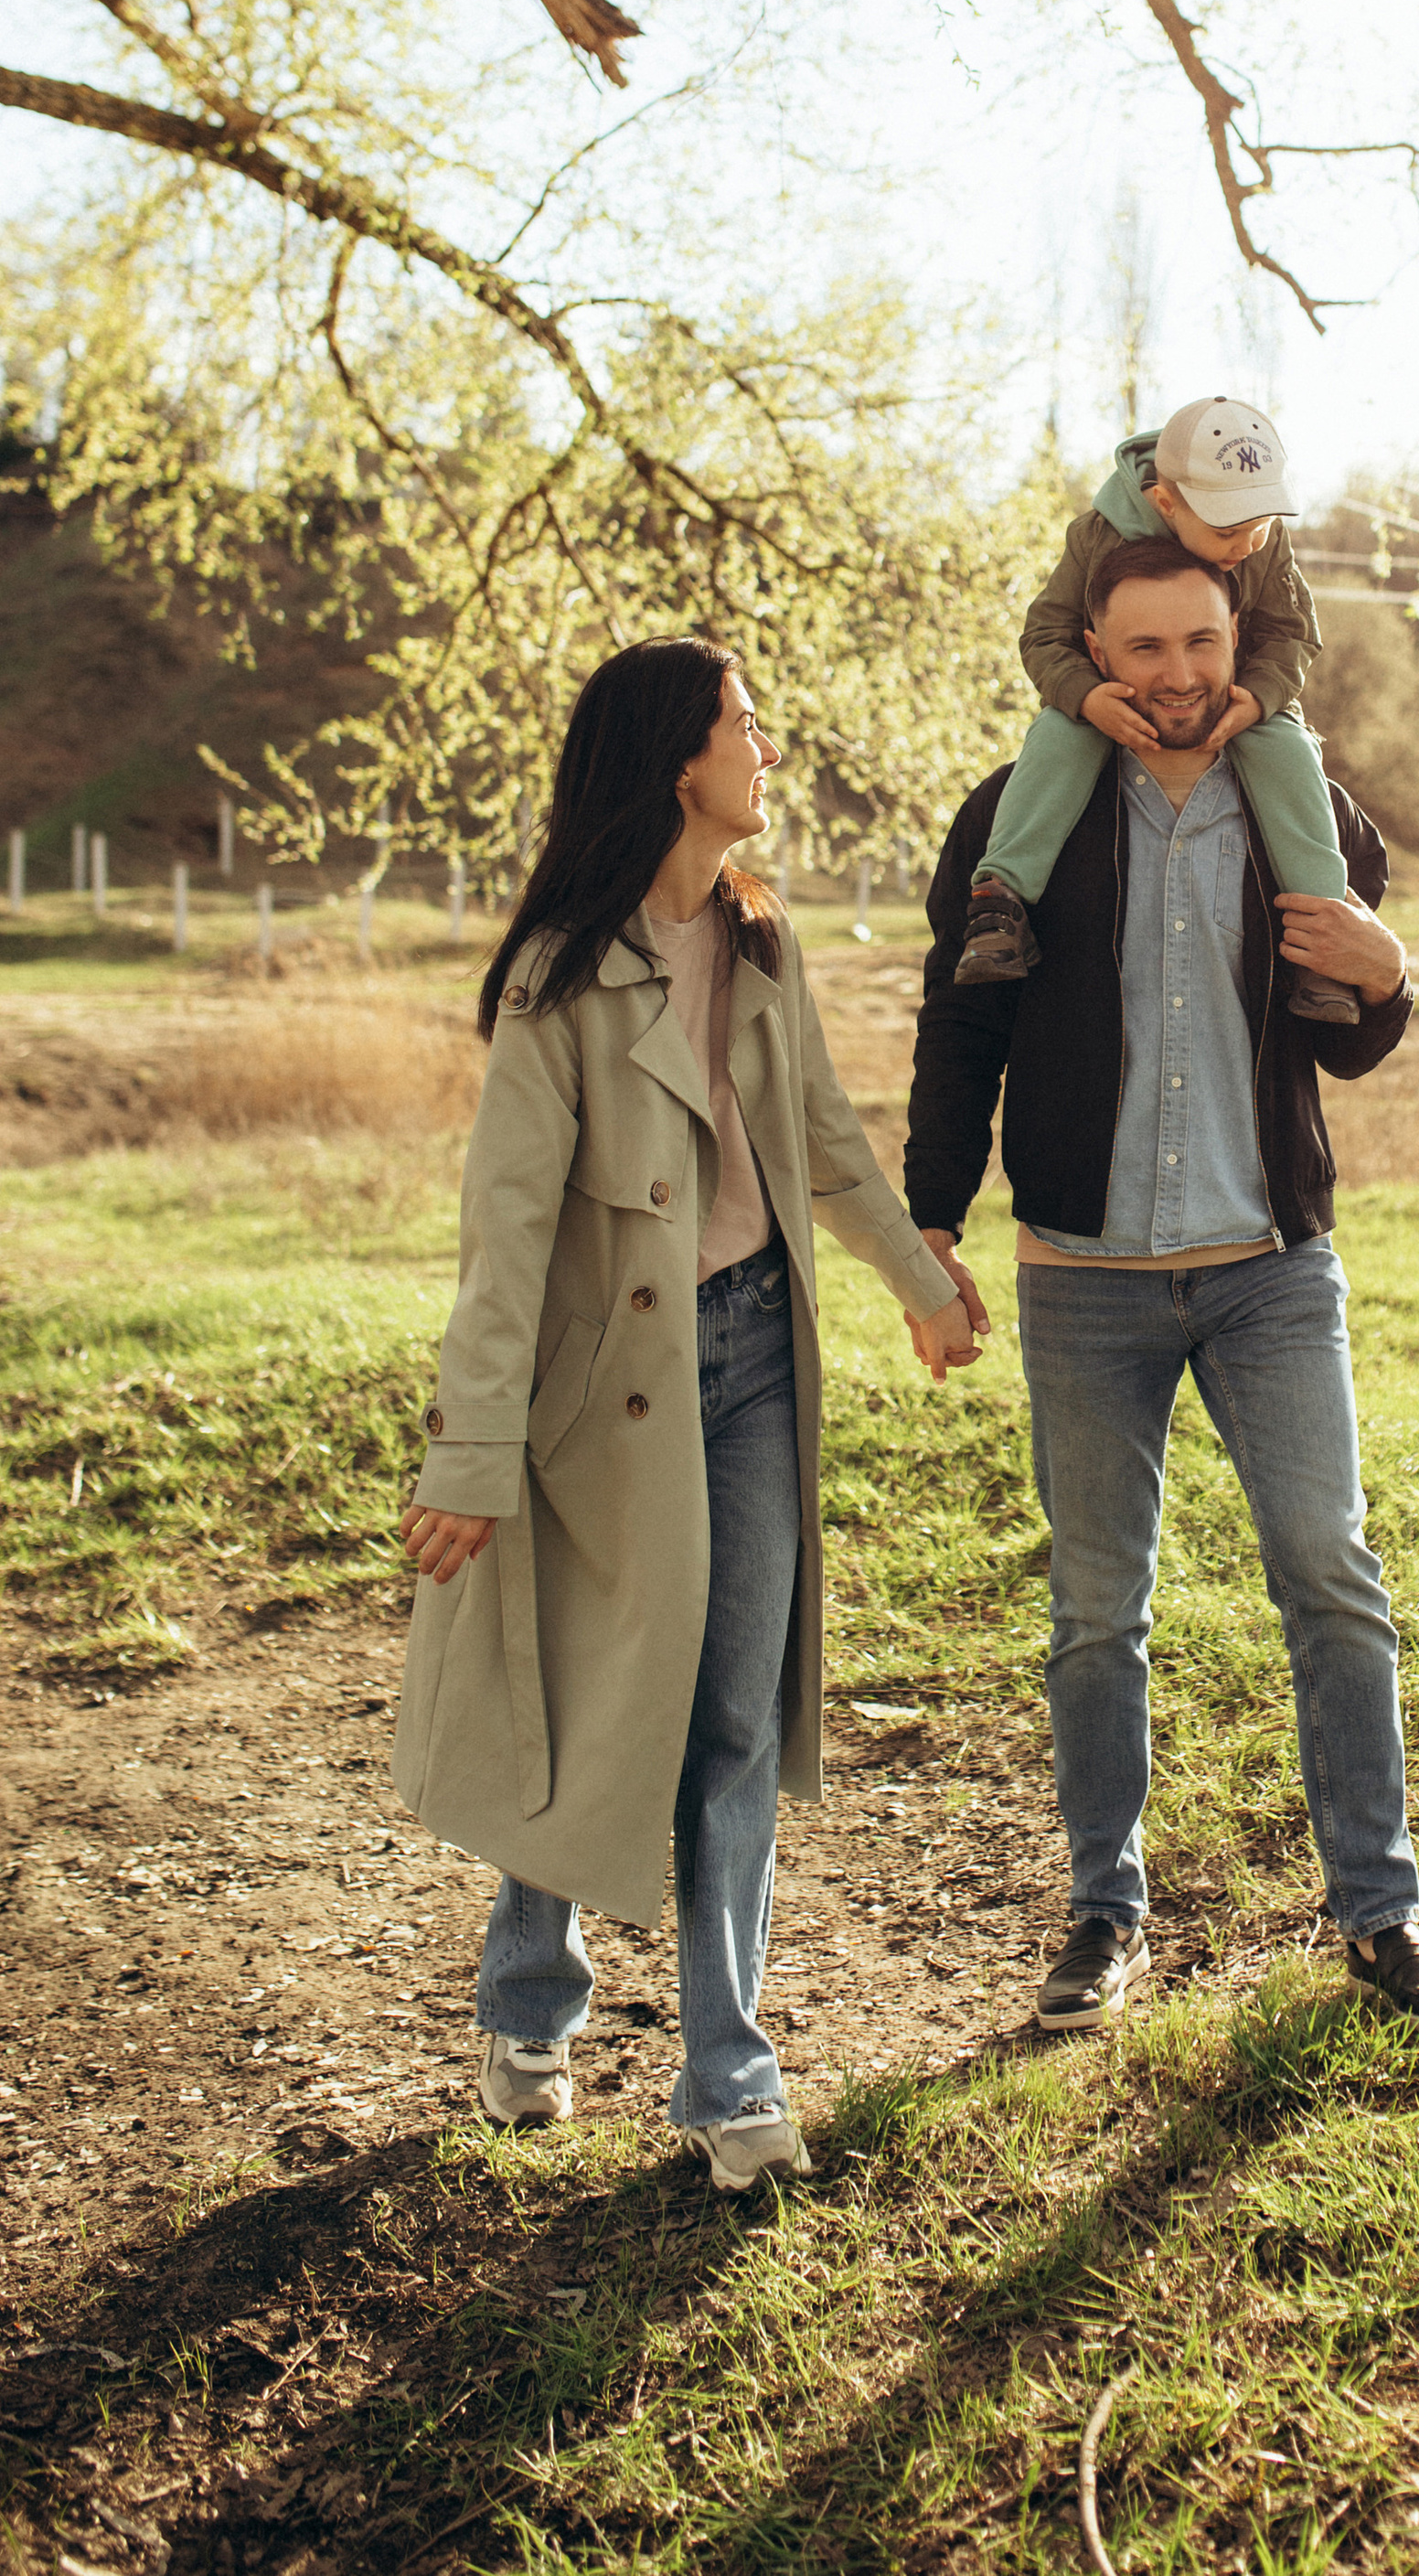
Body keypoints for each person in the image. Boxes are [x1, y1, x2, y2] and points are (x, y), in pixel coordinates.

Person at [392, 637, 978, 2188]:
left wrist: (919, 1281)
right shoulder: (559, 983)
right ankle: (530, 1995)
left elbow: (828, 1140)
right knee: (597, 1695)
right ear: (679, 766)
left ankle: (727, 2077)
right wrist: (473, 1451)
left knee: (731, 1716)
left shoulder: (762, 942)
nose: (768, 747)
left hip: (757, 1368)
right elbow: (506, 1237)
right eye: (743, 724)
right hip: (603, 1397)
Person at [906, 537, 1419, 2038]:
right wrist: (930, 1222)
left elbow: (1345, 1043)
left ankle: (1382, 1913)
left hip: (1268, 1272)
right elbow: (960, 1032)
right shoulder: (1020, 814)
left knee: (1332, 1578)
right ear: (1088, 654)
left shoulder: (1308, 812)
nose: (1177, 677)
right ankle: (1104, 1917)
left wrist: (1387, 971)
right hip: (1084, 1280)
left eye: (1203, 643)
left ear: (1244, 639)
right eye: (1145, 648)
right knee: (1100, 1614)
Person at [955, 395, 1360, 1023]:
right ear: (1165, 503)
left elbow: (1293, 632)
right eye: (1228, 530)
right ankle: (999, 901)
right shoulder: (1097, 536)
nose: (1248, 543)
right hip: (1111, 695)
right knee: (1058, 742)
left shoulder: (1261, 538)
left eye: (1260, 524)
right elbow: (1044, 636)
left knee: (1289, 752)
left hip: (1236, 695)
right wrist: (1086, 696)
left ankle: (1320, 943)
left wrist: (1260, 695)